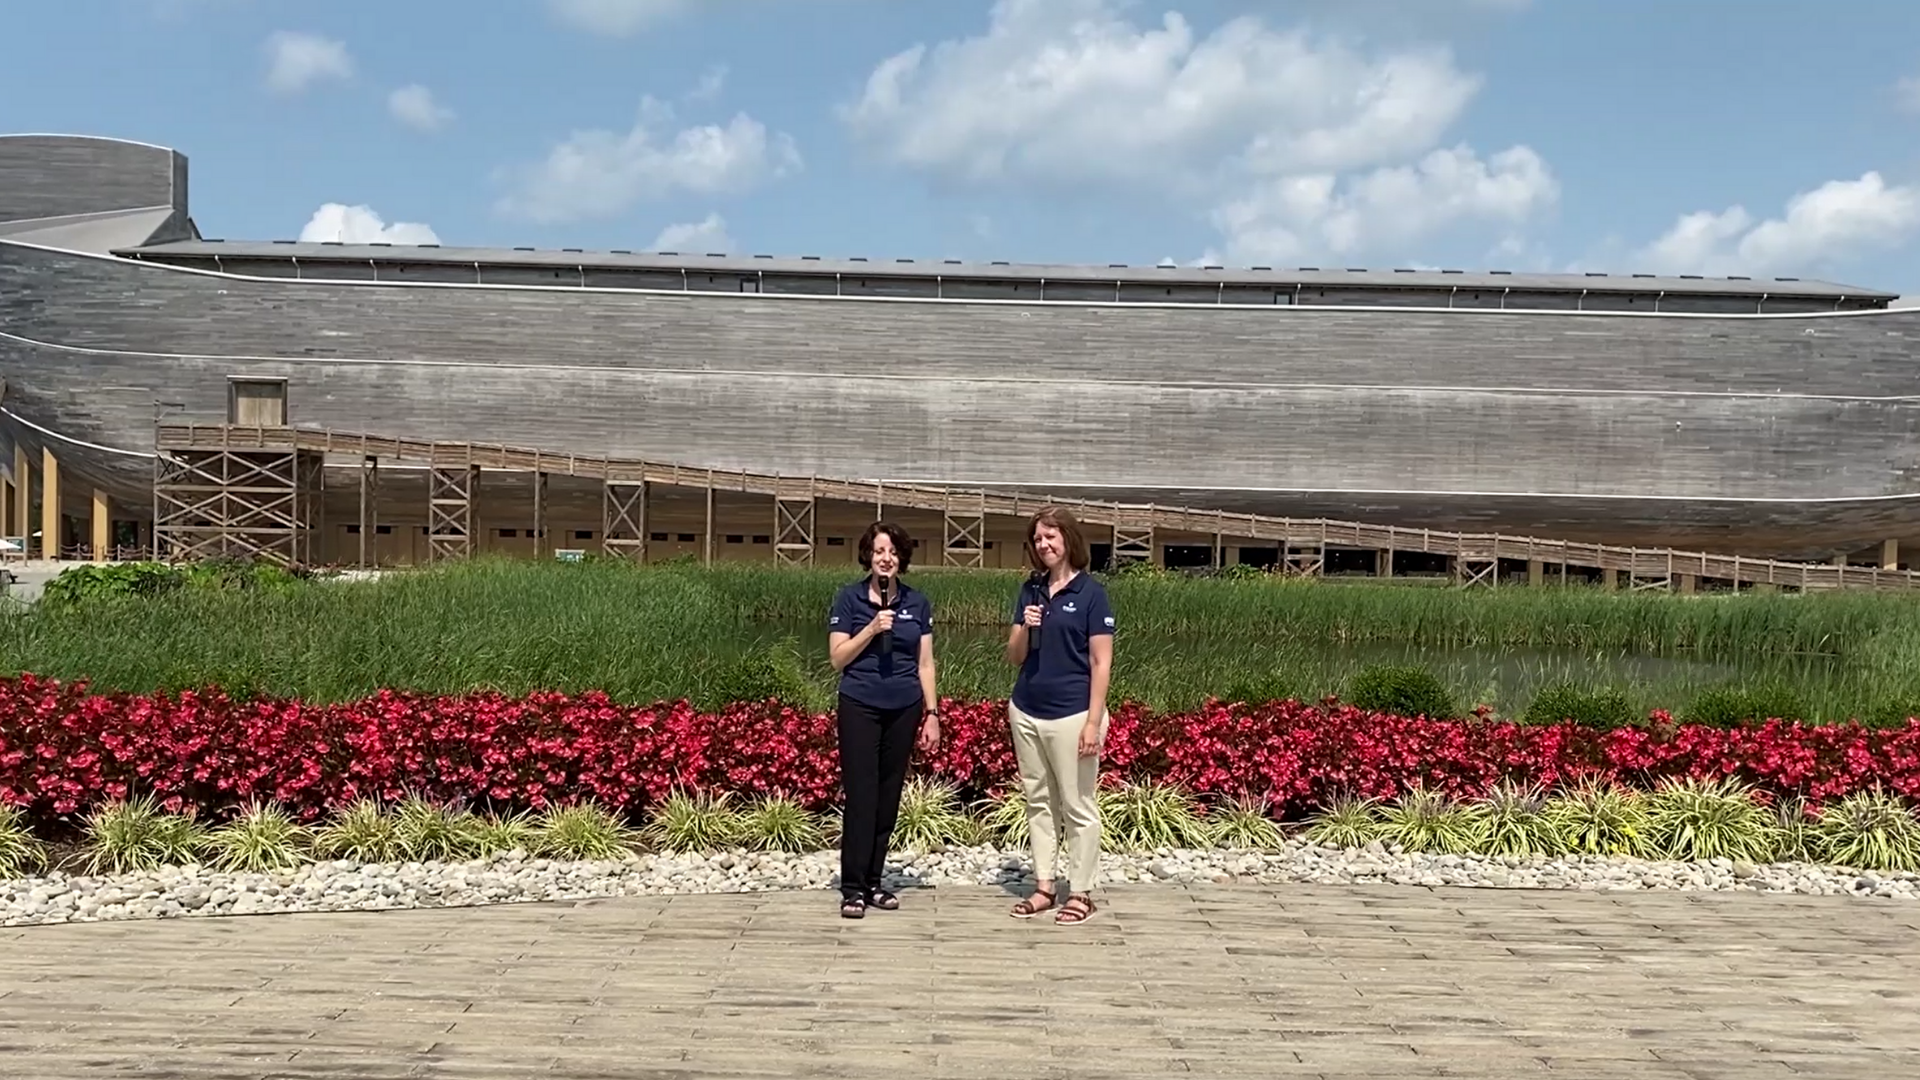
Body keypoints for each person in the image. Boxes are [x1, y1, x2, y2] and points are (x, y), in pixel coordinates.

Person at [1003, 506, 1114, 926]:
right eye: (1037, 539)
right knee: (1038, 802)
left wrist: (1092, 721)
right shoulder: (1029, 591)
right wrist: (1023, 627)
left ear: (1068, 539)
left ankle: (1081, 892)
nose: (1044, 545)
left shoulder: (1091, 594)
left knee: (1078, 804)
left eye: (1050, 537)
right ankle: (1045, 885)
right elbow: (1014, 656)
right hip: (1027, 709)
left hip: (1073, 714)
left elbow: (1101, 663)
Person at [827, 520, 940, 919]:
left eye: (892, 552)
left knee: (888, 797)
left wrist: (932, 713)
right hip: (860, 703)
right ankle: (853, 886)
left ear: (901, 558)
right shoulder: (849, 600)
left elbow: (925, 663)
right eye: (879, 551)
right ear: (868, 557)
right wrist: (872, 629)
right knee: (862, 797)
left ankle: (875, 881)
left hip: (904, 706)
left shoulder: (917, 603)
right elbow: (837, 658)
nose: (886, 558)